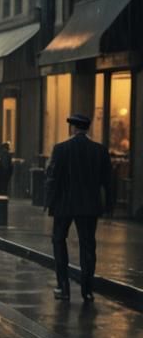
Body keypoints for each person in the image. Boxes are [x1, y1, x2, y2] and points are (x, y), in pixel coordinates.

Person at [45, 113, 115, 302]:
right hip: (89, 206)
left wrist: (49, 202)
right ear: (87, 128)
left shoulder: (60, 149)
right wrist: (109, 205)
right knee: (88, 245)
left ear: (73, 128)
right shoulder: (100, 150)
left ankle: (63, 287)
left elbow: (53, 178)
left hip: (64, 205)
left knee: (59, 241)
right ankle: (87, 290)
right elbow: (108, 181)